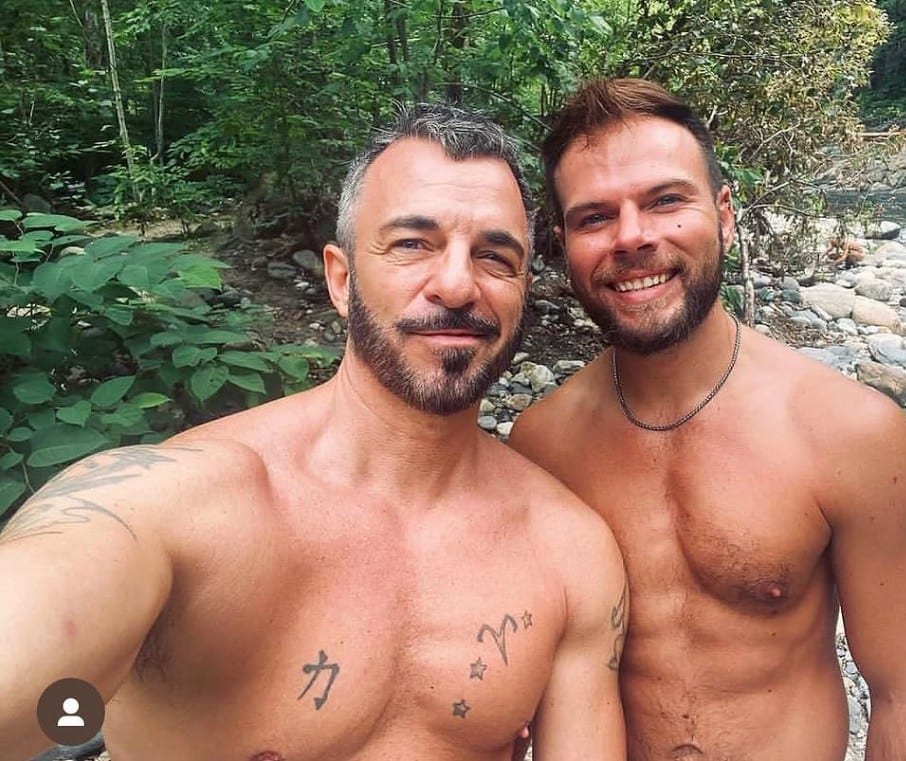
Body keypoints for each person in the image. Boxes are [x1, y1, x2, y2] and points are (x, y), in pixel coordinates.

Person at [0, 103, 628, 761]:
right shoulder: (177, 509)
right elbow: (44, 619)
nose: (455, 284)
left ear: (524, 287)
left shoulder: (568, 553)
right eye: (413, 243)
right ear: (341, 276)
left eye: (495, 256)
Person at [510, 78, 906, 761]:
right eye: (595, 216)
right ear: (562, 241)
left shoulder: (850, 434)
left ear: (724, 214)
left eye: (665, 201)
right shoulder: (542, 445)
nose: (632, 236)